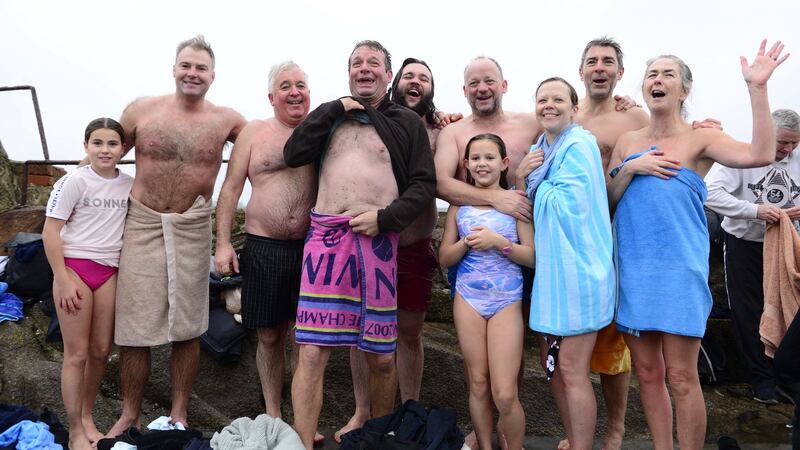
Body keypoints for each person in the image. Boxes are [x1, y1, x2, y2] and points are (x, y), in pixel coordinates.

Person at [607, 40, 788, 450]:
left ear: (684, 90)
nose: (658, 79)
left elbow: (762, 154)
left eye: (668, 74)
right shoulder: (627, 142)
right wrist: (631, 168)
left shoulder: (701, 137)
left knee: (681, 376)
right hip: (633, 268)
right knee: (647, 374)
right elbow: (610, 199)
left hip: (679, 270)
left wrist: (757, 88)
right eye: (652, 73)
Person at [284, 40, 435, 449]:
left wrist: (385, 219)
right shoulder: (330, 116)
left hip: (378, 243)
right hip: (326, 242)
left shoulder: (405, 122)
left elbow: (424, 185)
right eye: (356, 63)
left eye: (373, 63)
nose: (364, 68)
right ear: (348, 73)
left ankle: (376, 441)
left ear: (388, 75)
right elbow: (293, 152)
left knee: (382, 355)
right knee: (311, 351)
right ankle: (301, 442)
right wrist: (334, 108)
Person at [108, 35, 246, 437]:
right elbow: (104, 154)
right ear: (173, 69)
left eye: (201, 68)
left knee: (189, 327)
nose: (192, 73)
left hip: (191, 226)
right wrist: (68, 197)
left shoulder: (227, 120)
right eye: (186, 65)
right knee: (133, 326)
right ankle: (129, 414)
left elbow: (272, 144)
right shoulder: (141, 111)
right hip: (142, 223)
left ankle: (179, 412)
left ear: (213, 76)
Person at [334, 57, 448, 442]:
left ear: (431, 89)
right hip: (369, 241)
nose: (416, 82)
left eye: (424, 78)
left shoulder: (441, 130)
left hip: (413, 245)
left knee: (410, 333)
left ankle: (409, 410)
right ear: (394, 81)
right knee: (360, 330)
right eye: (409, 75)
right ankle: (362, 411)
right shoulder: (369, 120)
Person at [213, 62, 320, 440]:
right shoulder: (255, 133)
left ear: (310, 93)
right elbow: (230, 188)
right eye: (285, 86)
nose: (294, 92)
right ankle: (274, 415)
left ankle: (303, 419)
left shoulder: (322, 130)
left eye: (301, 85)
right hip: (264, 246)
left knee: (306, 339)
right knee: (270, 336)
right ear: (272, 97)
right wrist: (223, 243)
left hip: (312, 248)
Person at [517, 77, 615, 450]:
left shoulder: (580, 145)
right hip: (552, 275)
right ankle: (574, 439)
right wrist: (521, 175)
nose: (549, 105)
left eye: (558, 99)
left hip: (579, 271)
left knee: (573, 369)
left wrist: (531, 180)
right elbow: (525, 206)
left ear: (574, 109)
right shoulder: (539, 149)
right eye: (542, 99)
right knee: (553, 367)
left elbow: (568, 205)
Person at [42, 118, 133, 450]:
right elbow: (50, 232)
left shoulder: (129, 185)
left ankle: (87, 416)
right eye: (97, 143)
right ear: (86, 147)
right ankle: (75, 431)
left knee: (100, 351)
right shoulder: (73, 182)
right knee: (77, 354)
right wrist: (62, 279)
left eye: (112, 144)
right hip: (75, 270)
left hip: (109, 271)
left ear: (123, 149)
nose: (104, 150)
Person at [439, 133, 534, 450]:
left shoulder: (515, 203)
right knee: (478, 383)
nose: (482, 164)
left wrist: (500, 243)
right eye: (476, 158)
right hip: (468, 298)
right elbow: (444, 257)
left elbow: (533, 256)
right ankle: (484, 444)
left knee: (504, 392)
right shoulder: (459, 206)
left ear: (504, 163)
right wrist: (465, 243)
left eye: (490, 157)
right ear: (466, 164)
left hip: (507, 300)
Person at [705, 108, 800, 403]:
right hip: (744, 243)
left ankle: (787, 378)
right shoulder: (743, 155)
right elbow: (710, 193)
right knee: (748, 311)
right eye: (782, 142)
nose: (788, 149)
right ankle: (761, 380)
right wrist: (756, 211)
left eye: (794, 143)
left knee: (790, 309)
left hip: (787, 245)